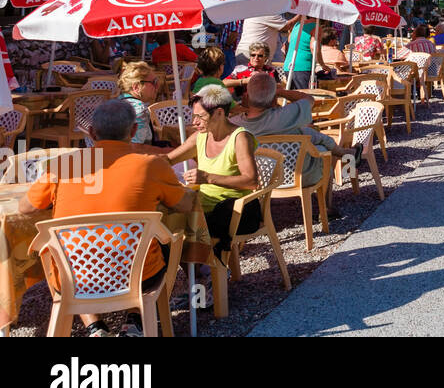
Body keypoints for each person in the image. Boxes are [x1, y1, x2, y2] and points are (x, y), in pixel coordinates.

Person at [21, 99, 195, 336]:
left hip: (75, 281)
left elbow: (25, 207)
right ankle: (134, 319)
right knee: (156, 242)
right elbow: (185, 205)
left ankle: (95, 327)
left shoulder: (62, 166)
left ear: (91, 132)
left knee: (74, 252)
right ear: (134, 131)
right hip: (137, 277)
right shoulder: (152, 166)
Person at [232, 73, 350, 215]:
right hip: (298, 176)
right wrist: (281, 91)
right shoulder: (285, 116)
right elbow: (308, 99)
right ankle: (325, 207)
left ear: (247, 96)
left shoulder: (235, 125)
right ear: (273, 97)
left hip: (256, 180)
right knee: (323, 151)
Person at [169, 85, 259, 264]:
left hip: (235, 212)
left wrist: (208, 178)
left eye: (200, 116)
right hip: (203, 209)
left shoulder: (240, 137)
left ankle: (203, 275)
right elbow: (168, 159)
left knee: (178, 230)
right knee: (167, 224)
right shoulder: (200, 136)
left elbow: (251, 181)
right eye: (194, 116)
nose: (194, 122)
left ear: (219, 113)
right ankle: (197, 274)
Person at [117, 61, 158, 145]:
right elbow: (136, 147)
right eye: (153, 82)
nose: (157, 86)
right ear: (136, 87)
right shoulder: (139, 109)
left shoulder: (119, 99)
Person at [281, 15, 319, 89]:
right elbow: (313, 47)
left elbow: (288, 43)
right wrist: (321, 64)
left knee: (292, 97)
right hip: (303, 67)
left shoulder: (297, 25)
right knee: (304, 97)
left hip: (288, 65)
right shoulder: (316, 27)